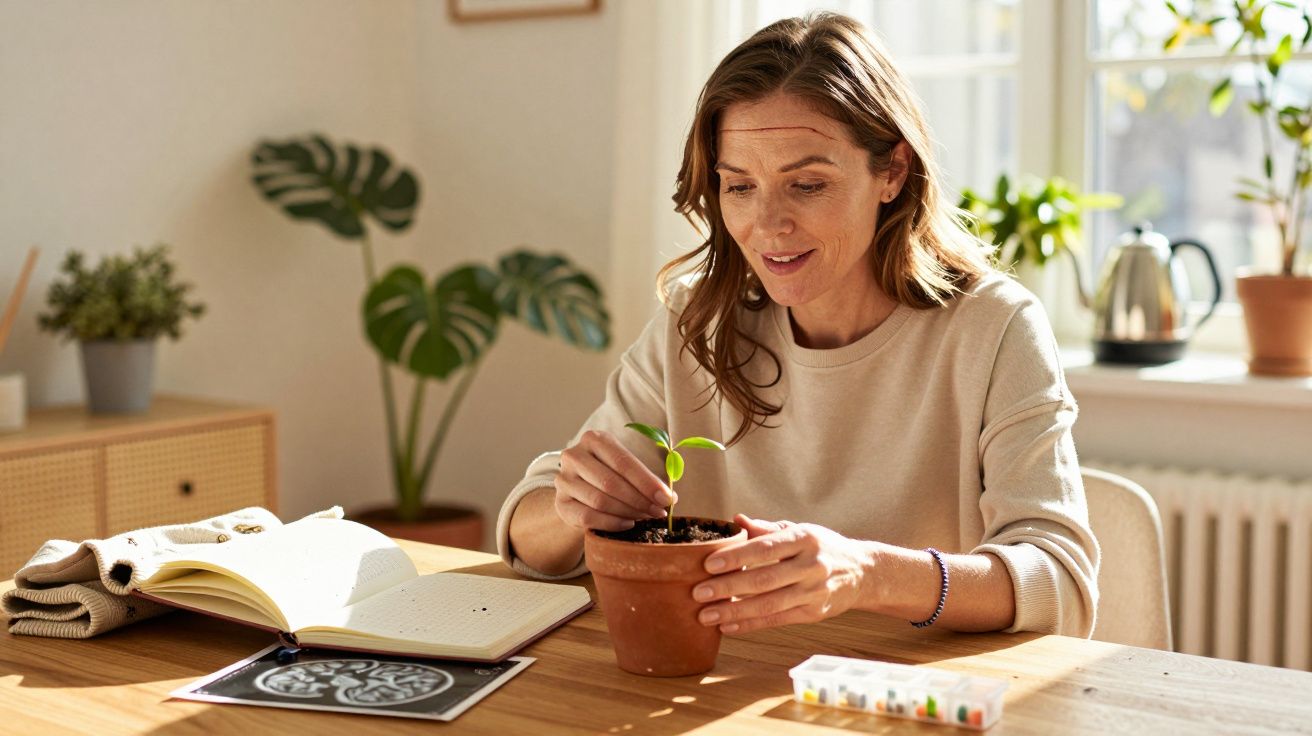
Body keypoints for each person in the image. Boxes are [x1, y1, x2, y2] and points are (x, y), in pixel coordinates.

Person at [499, 11, 1099, 637]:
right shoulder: (695, 322)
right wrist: (574, 507)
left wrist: (866, 572)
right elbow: (528, 536)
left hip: (913, 702)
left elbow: (1059, 581)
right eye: (739, 186)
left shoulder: (994, 329)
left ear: (891, 172)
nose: (768, 225)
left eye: (807, 184)